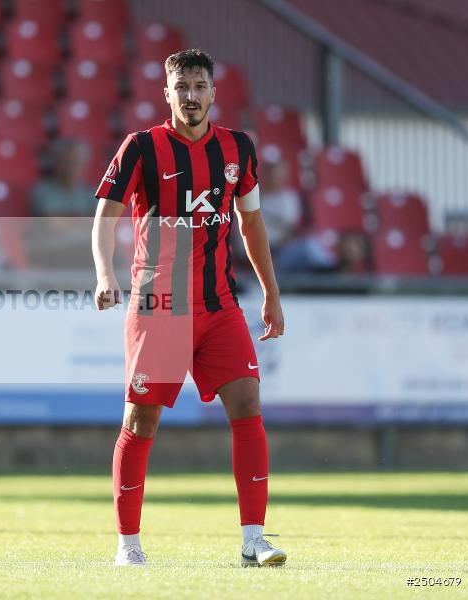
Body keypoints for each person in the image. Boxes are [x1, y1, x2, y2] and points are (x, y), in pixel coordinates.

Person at [93, 49, 288, 567]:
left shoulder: (238, 149)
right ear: (167, 94)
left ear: (213, 93)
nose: (192, 96)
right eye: (182, 87)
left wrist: (270, 291)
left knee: (247, 403)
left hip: (219, 302)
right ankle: (128, 545)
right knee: (142, 419)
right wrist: (104, 272)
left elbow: (252, 224)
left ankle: (254, 538)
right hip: (159, 304)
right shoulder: (140, 148)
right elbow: (104, 218)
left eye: (200, 86)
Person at [26, 138, 98, 268]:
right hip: (53, 248)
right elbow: (54, 225)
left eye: (78, 162)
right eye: (69, 161)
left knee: (113, 253)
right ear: (57, 162)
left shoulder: (89, 193)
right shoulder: (43, 191)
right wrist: (82, 221)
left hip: (83, 247)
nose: (73, 166)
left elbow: (97, 226)